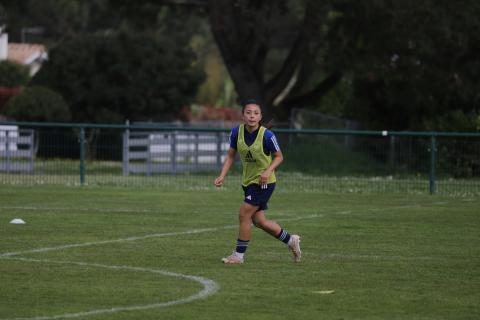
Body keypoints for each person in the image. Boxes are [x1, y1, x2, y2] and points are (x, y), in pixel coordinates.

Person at [214, 99, 301, 264]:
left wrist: (268, 171)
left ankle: (238, 256)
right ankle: (291, 241)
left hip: (264, 183)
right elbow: (231, 155)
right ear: (243, 115)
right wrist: (222, 175)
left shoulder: (267, 135)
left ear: (260, 116)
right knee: (259, 222)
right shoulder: (235, 133)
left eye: (255, 113)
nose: (252, 116)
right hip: (248, 183)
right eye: (248, 112)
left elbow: (279, 157)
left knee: (244, 213)